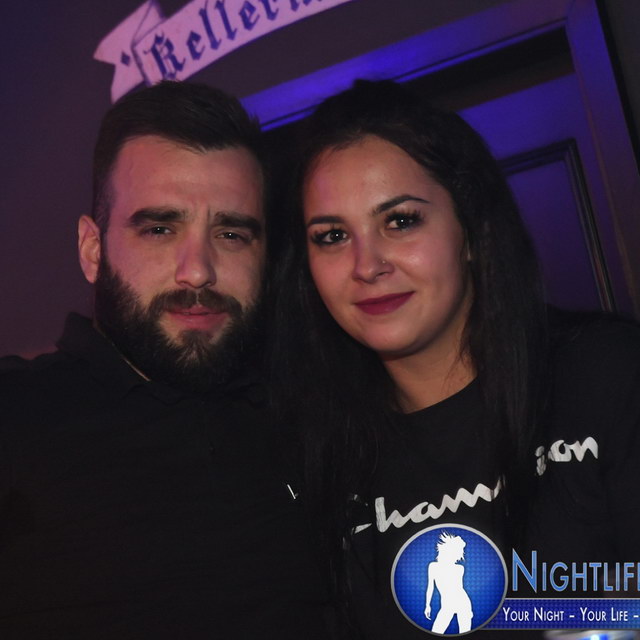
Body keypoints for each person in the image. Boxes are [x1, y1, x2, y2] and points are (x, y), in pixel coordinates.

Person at [270, 79, 640, 638]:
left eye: (400, 220)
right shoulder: (308, 457)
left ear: (469, 229)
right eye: (332, 236)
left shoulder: (605, 375)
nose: (366, 265)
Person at [0, 81, 329, 639]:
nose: (197, 270)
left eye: (231, 233)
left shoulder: (315, 420)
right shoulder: (14, 418)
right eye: (159, 228)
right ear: (92, 249)